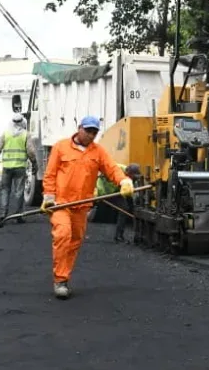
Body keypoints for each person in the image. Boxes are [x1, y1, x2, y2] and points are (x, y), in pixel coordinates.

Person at [41, 115, 135, 300]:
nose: (91, 135)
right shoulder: (61, 147)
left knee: (74, 242)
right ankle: (60, 280)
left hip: (81, 205)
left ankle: (64, 277)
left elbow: (111, 168)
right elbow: (50, 174)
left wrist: (124, 180)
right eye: (88, 130)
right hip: (61, 203)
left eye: (95, 132)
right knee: (63, 234)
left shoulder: (98, 152)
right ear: (79, 128)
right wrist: (48, 197)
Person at [0, 113, 35, 223]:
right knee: (19, 192)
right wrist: (35, 163)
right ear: (22, 122)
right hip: (20, 167)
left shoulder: (6, 134)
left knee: (5, 190)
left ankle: (3, 214)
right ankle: (18, 215)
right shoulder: (26, 134)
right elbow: (30, 151)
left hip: (7, 167)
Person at [114, 163, 142, 243]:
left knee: (131, 206)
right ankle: (118, 236)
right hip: (112, 190)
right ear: (129, 173)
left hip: (123, 189)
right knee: (124, 209)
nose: (133, 178)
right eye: (132, 176)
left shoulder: (131, 175)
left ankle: (136, 234)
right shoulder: (118, 171)